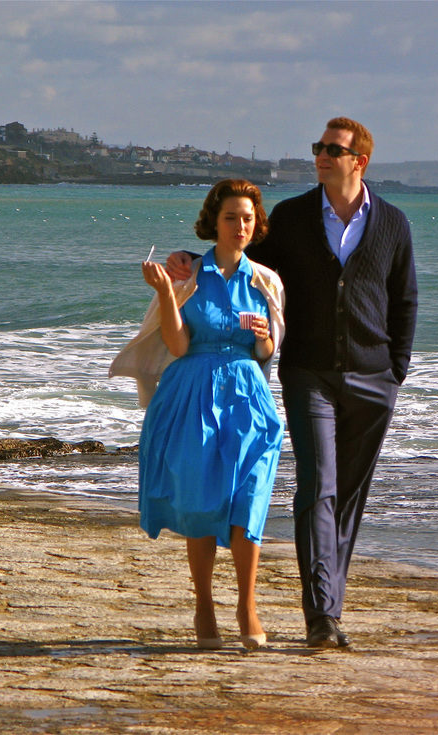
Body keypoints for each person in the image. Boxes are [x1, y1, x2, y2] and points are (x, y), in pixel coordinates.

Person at [166, 117, 417, 648]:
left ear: (359, 161)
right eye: (318, 147)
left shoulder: (393, 223)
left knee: (349, 496)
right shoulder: (292, 217)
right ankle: (322, 616)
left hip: (374, 378)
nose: (321, 155)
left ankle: (331, 604)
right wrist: (190, 261)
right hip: (308, 372)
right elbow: (244, 261)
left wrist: (396, 370)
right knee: (317, 487)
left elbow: (405, 300)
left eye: (333, 149)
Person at [110, 179, 285, 651]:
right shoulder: (187, 274)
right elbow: (177, 344)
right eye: (231, 217)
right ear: (214, 221)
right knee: (203, 502)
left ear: (256, 223)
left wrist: (265, 334)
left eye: (247, 218)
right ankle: (204, 604)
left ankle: (247, 606)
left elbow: (268, 353)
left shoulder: (265, 280)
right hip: (193, 395)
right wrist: (167, 291)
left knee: (250, 500)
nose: (240, 227)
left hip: (248, 397)